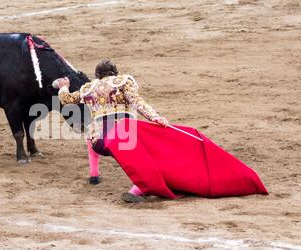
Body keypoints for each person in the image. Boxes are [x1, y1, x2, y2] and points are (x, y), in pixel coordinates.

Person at [53, 59, 268, 203]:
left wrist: (63, 84)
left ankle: (94, 174)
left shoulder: (87, 88)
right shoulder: (124, 81)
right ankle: (139, 186)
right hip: (123, 139)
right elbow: (138, 103)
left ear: (97, 76)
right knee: (145, 144)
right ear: (114, 73)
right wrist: (156, 119)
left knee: (93, 135)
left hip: (100, 140)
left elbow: (66, 99)